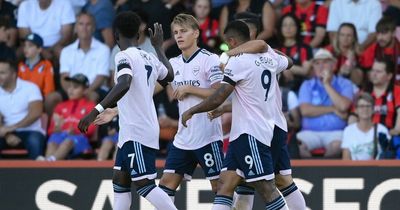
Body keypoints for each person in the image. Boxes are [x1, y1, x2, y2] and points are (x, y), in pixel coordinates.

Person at [182, 20, 293, 210]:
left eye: (226, 43)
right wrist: (271, 51)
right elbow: (289, 62)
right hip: (249, 131)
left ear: (232, 42)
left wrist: (192, 110)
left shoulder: (237, 62)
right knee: (226, 183)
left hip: (251, 133)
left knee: (267, 188)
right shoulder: (269, 58)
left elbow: (218, 96)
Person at [78, 11, 177, 210]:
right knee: (120, 181)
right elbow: (169, 76)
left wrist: (95, 110)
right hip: (132, 131)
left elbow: (124, 83)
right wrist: (158, 48)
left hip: (137, 131)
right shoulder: (148, 57)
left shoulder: (123, 56)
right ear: (139, 36)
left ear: (115, 35)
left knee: (143, 183)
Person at [155, 13, 225, 204]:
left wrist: (190, 89)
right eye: (176, 32)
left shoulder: (209, 59)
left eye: (183, 31)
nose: (178, 35)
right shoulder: (173, 64)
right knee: (166, 185)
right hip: (183, 138)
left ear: (196, 33)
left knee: (220, 188)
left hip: (207, 136)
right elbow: (150, 91)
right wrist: (117, 108)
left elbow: (220, 92)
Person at [47, 11, 110, 112]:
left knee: (92, 97)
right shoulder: (66, 51)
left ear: (93, 28)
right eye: (81, 24)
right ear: (75, 28)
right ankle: (55, 127)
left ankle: (89, 128)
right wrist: (72, 91)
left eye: (88, 24)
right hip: (72, 89)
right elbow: (64, 76)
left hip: (93, 89)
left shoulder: (103, 49)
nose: (84, 28)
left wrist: (84, 92)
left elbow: (101, 77)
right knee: (51, 98)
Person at [297, 49, 354, 158]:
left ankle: (323, 173)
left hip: (336, 132)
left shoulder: (345, 83)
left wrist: (326, 84)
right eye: (317, 63)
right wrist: (333, 109)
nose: (321, 66)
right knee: (297, 145)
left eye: (325, 62)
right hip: (309, 132)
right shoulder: (307, 85)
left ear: (333, 65)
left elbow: (343, 106)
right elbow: (305, 110)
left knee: (336, 146)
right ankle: (310, 173)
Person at [0, 46, 45, 159]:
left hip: (30, 131)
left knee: (34, 141)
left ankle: (38, 175)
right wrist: (8, 134)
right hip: (5, 133)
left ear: (14, 74)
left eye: (2, 73)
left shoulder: (30, 88)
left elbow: (35, 113)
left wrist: (12, 127)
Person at [39, 74, 95, 161]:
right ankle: (48, 162)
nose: (71, 90)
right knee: (52, 142)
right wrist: (56, 129)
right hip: (61, 136)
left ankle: (49, 162)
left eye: (75, 87)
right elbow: (50, 130)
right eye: (69, 87)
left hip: (80, 140)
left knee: (68, 141)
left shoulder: (90, 106)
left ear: (84, 90)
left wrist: (75, 130)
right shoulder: (60, 106)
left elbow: (91, 129)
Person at [342, 92, 391, 160]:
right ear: (356, 110)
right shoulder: (349, 131)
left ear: (373, 109)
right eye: (361, 106)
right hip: (354, 169)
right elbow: (346, 159)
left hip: (377, 169)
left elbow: (387, 156)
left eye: (368, 106)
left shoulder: (382, 130)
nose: (365, 109)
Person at [18, 33, 55, 115]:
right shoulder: (20, 65)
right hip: (21, 104)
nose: (26, 49)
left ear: (39, 49)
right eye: (25, 45)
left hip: (38, 103)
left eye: (30, 46)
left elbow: (48, 91)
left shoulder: (46, 65)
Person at [276, 13, 313, 92]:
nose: (288, 28)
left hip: (301, 88)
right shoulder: (276, 49)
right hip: (278, 88)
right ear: (280, 28)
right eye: (285, 25)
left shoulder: (305, 48)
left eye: (291, 25)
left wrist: (285, 68)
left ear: (297, 27)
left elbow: (305, 71)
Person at [361, 17, 400, 85]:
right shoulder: (373, 48)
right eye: (378, 33)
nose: (380, 38)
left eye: (384, 33)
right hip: (377, 85)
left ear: (393, 33)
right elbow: (366, 71)